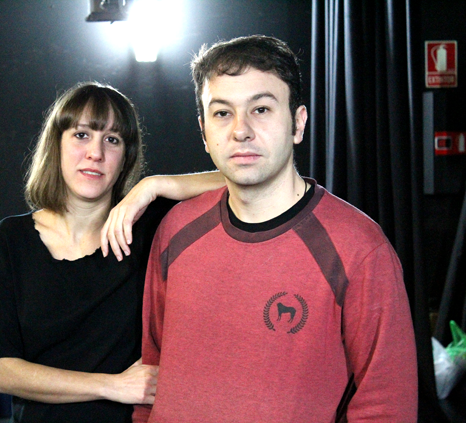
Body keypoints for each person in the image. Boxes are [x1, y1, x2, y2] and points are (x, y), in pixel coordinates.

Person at [133, 35, 418, 422]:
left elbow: (387, 405)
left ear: (298, 123)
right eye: (222, 113)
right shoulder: (176, 230)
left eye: (261, 109)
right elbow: (153, 373)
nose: (241, 130)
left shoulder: (359, 249)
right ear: (203, 132)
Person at [0, 81, 223, 423]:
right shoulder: (11, 239)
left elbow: (247, 178)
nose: (96, 153)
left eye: (112, 140)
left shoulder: (147, 227)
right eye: (81, 135)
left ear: (126, 157)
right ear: (56, 144)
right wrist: (113, 385)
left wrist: (153, 186)